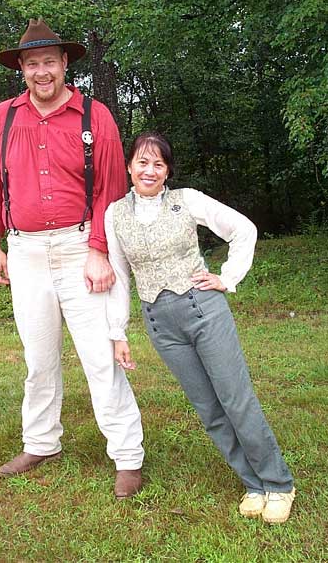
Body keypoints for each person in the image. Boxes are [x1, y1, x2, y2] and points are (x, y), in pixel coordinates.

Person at [0, 18, 143, 498]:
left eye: (49, 61)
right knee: (38, 358)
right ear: (21, 70)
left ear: (65, 64)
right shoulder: (2, 119)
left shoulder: (97, 117)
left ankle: (128, 456)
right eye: (32, 64)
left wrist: (98, 252)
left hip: (80, 247)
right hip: (24, 251)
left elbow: (111, 190)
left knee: (99, 357)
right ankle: (41, 443)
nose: (41, 71)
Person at [104, 131, 296, 522]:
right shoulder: (114, 214)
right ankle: (253, 484)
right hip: (160, 325)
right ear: (129, 166)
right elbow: (120, 275)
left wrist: (228, 277)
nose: (150, 170)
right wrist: (117, 331)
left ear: (167, 170)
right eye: (142, 161)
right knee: (209, 409)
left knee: (235, 399)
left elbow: (243, 229)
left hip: (204, 311)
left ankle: (278, 483)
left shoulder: (186, 200)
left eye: (158, 163)